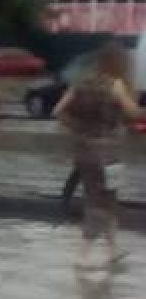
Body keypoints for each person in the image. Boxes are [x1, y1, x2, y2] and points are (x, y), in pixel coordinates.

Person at [53, 43, 140, 269]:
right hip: (109, 155)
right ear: (119, 63)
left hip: (84, 151)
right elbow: (133, 113)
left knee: (107, 199)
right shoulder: (116, 85)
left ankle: (113, 251)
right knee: (99, 203)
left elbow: (58, 112)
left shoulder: (80, 84)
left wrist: (77, 129)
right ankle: (83, 254)